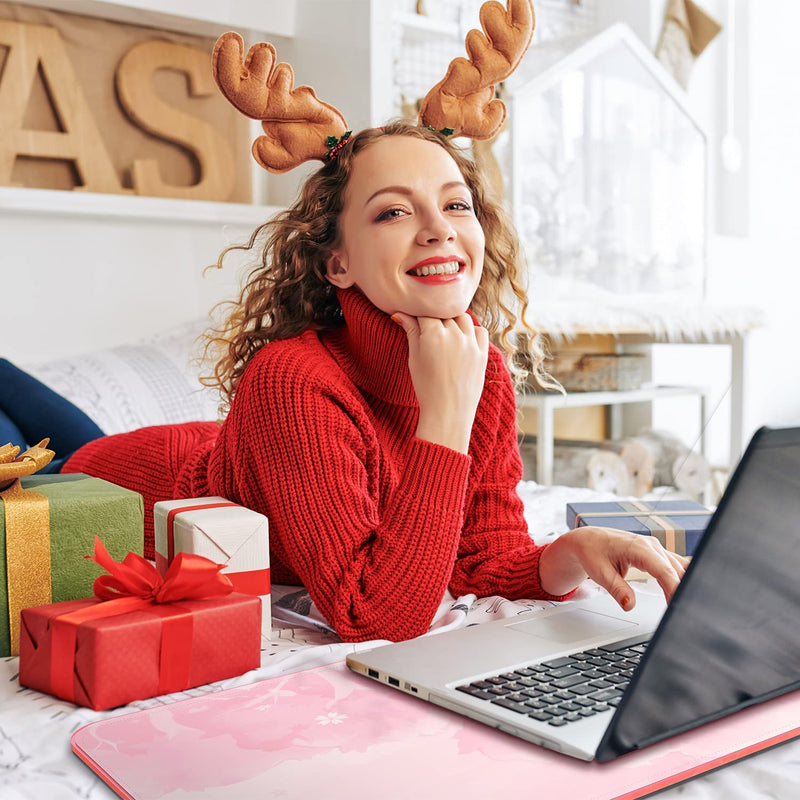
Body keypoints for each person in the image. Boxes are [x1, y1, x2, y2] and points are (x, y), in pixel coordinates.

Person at [4, 121, 688, 643]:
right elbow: (373, 613)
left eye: (456, 206)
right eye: (393, 212)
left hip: (225, 450)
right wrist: (444, 415)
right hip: (123, 480)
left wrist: (564, 557)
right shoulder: (290, 380)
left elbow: (481, 560)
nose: (437, 231)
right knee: (42, 447)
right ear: (337, 264)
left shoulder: (480, 364)